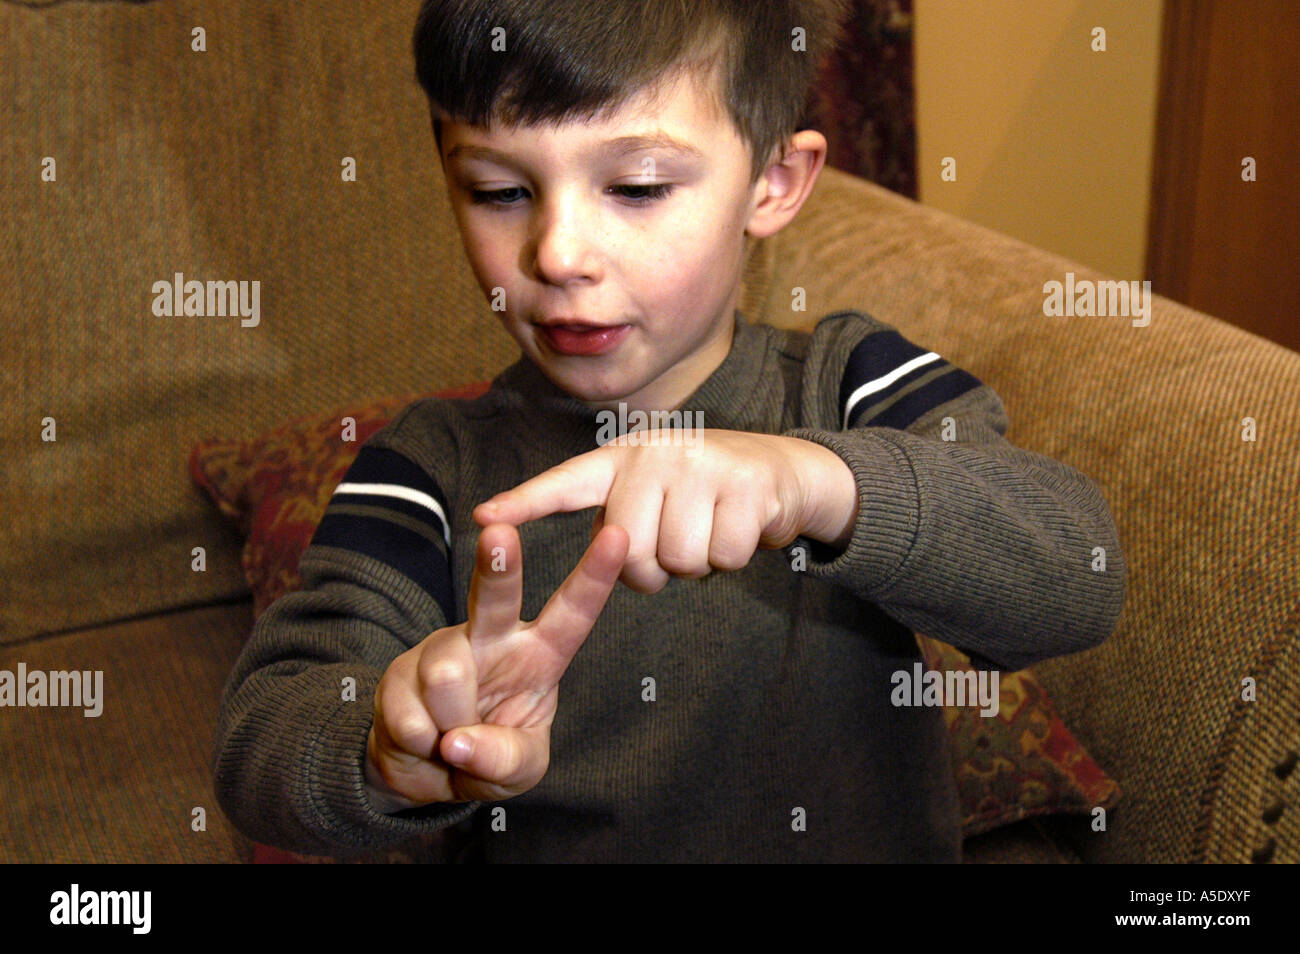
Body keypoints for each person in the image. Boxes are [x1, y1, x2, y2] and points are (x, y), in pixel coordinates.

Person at [212, 0, 1126, 862]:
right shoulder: (429, 464)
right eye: (498, 191)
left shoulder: (850, 385)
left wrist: (816, 483)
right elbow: (264, 741)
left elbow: (1074, 576)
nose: (558, 254)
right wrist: (385, 743)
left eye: (638, 187)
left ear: (772, 183)